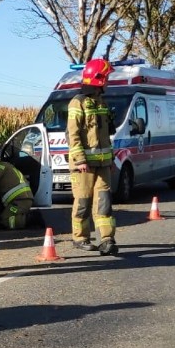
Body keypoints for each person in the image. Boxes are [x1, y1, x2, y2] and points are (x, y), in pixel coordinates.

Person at [68, 58, 118, 256]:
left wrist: (110, 159)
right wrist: (80, 160)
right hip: (84, 165)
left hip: (103, 163)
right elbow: (73, 135)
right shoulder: (77, 102)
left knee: (104, 201)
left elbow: (105, 136)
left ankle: (107, 239)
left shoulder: (101, 102)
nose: (107, 81)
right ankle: (80, 237)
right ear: (97, 79)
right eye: (106, 77)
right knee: (83, 201)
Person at [0, 156, 34, 229]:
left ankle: (30, 219)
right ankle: (24, 216)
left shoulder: (0, 166)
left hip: (19, 200)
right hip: (24, 199)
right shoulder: (9, 166)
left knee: (5, 219)